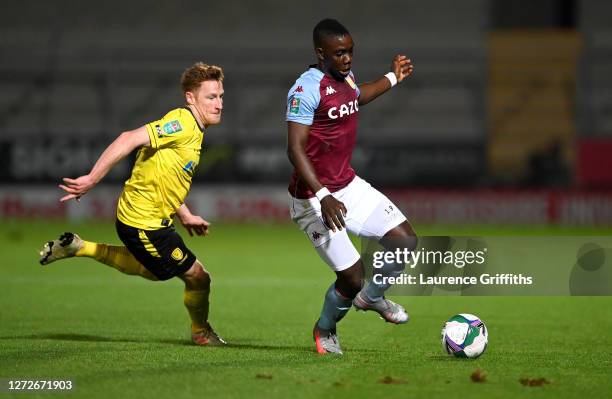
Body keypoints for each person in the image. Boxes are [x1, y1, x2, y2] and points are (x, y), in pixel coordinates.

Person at [38, 62, 226, 346]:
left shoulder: (195, 130)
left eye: (221, 96)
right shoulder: (183, 122)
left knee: (158, 270)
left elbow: (164, 177)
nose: (219, 103)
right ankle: (201, 333)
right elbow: (128, 139)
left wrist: (185, 214)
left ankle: (79, 246)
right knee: (197, 276)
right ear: (190, 97)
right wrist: (92, 178)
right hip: (143, 223)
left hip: (148, 220)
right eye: (211, 97)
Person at [286, 19, 417, 355]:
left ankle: (372, 298)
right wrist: (324, 195)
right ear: (320, 53)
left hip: (348, 186)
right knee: (352, 277)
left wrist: (391, 78)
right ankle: (325, 328)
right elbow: (295, 149)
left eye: (350, 52)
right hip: (313, 199)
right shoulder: (305, 89)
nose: (347, 59)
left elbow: (356, 98)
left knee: (405, 240)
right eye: (339, 53)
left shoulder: (346, 78)